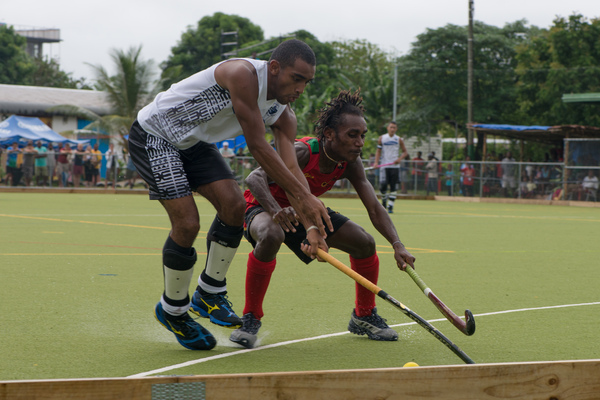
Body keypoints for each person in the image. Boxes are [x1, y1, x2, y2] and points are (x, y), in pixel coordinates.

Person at [127, 39, 332, 351]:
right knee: (187, 224)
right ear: (274, 68)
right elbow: (258, 146)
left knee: (235, 206)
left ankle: (208, 294)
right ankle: (173, 311)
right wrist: (305, 198)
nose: (300, 88)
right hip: (155, 135)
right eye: (296, 78)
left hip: (194, 143)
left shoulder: (284, 115)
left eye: (307, 81)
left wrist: (312, 226)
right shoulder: (242, 74)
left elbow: (292, 170)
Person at [230, 90, 416, 349]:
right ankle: (250, 317)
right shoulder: (303, 151)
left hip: (305, 212)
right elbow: (254, 179)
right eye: (352, 135)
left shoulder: (350, 162)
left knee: (364, 243)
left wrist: (397, 244)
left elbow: (374, 206)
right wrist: (277, 210)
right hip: (263, 206)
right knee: (273, 235)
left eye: (362, 135)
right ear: (329, 134)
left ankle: (363, 315)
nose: (360, 142)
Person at [374, 121, 408, 213]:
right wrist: (376, 162)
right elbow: (378, 151)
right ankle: (384, 202)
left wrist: (399, 159)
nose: (392, 129)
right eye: (391, 127)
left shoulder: (399, 139)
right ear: (387, 128)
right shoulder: (382, 138)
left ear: (396, 129)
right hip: (384, 166)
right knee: (383, 186)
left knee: (393, 186)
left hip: (395, 166)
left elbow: (405, 152)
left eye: (394, 128)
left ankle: (390, 207)